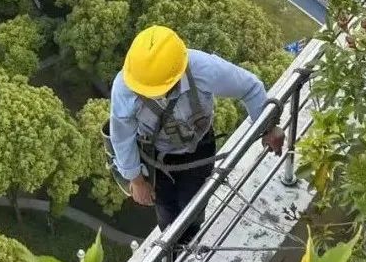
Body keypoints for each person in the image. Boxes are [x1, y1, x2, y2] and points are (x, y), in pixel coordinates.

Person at [109, 25, 284, 244]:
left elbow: (250, 88)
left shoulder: (202, 68)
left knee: (193, 203)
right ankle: (172, 248)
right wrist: (136, 180)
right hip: (156, 157)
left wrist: (268, 128)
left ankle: (189, 241)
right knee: (166, 209)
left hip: (198, 148)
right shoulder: (126, 86)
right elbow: (122, 136)